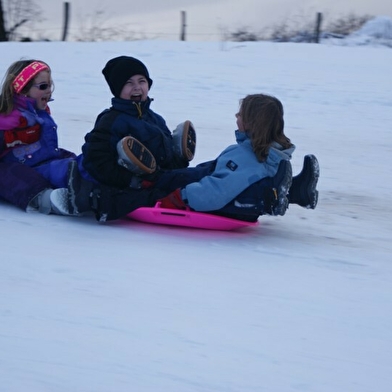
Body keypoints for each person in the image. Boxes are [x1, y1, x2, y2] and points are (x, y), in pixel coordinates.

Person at [61, 93, 319, 222]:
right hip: (215, 178)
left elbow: (217, 189)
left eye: (240, 114)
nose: (236, 117)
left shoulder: (247, 157)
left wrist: (182, 197)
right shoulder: (266, 153)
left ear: (252, 122)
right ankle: (295, 190)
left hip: (215, 199)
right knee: (177, 175)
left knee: (152, 191)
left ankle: (94, 201)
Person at [0, 59, 77, 214]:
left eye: (50, 85)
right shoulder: (7, 118)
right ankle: (46, 199)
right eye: (43, 86)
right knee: (10, 174)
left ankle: (83, 175)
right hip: (16, 167)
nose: (49, 91)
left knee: (69, 159)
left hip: (39, 160)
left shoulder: (39, 113)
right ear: (21, 89)